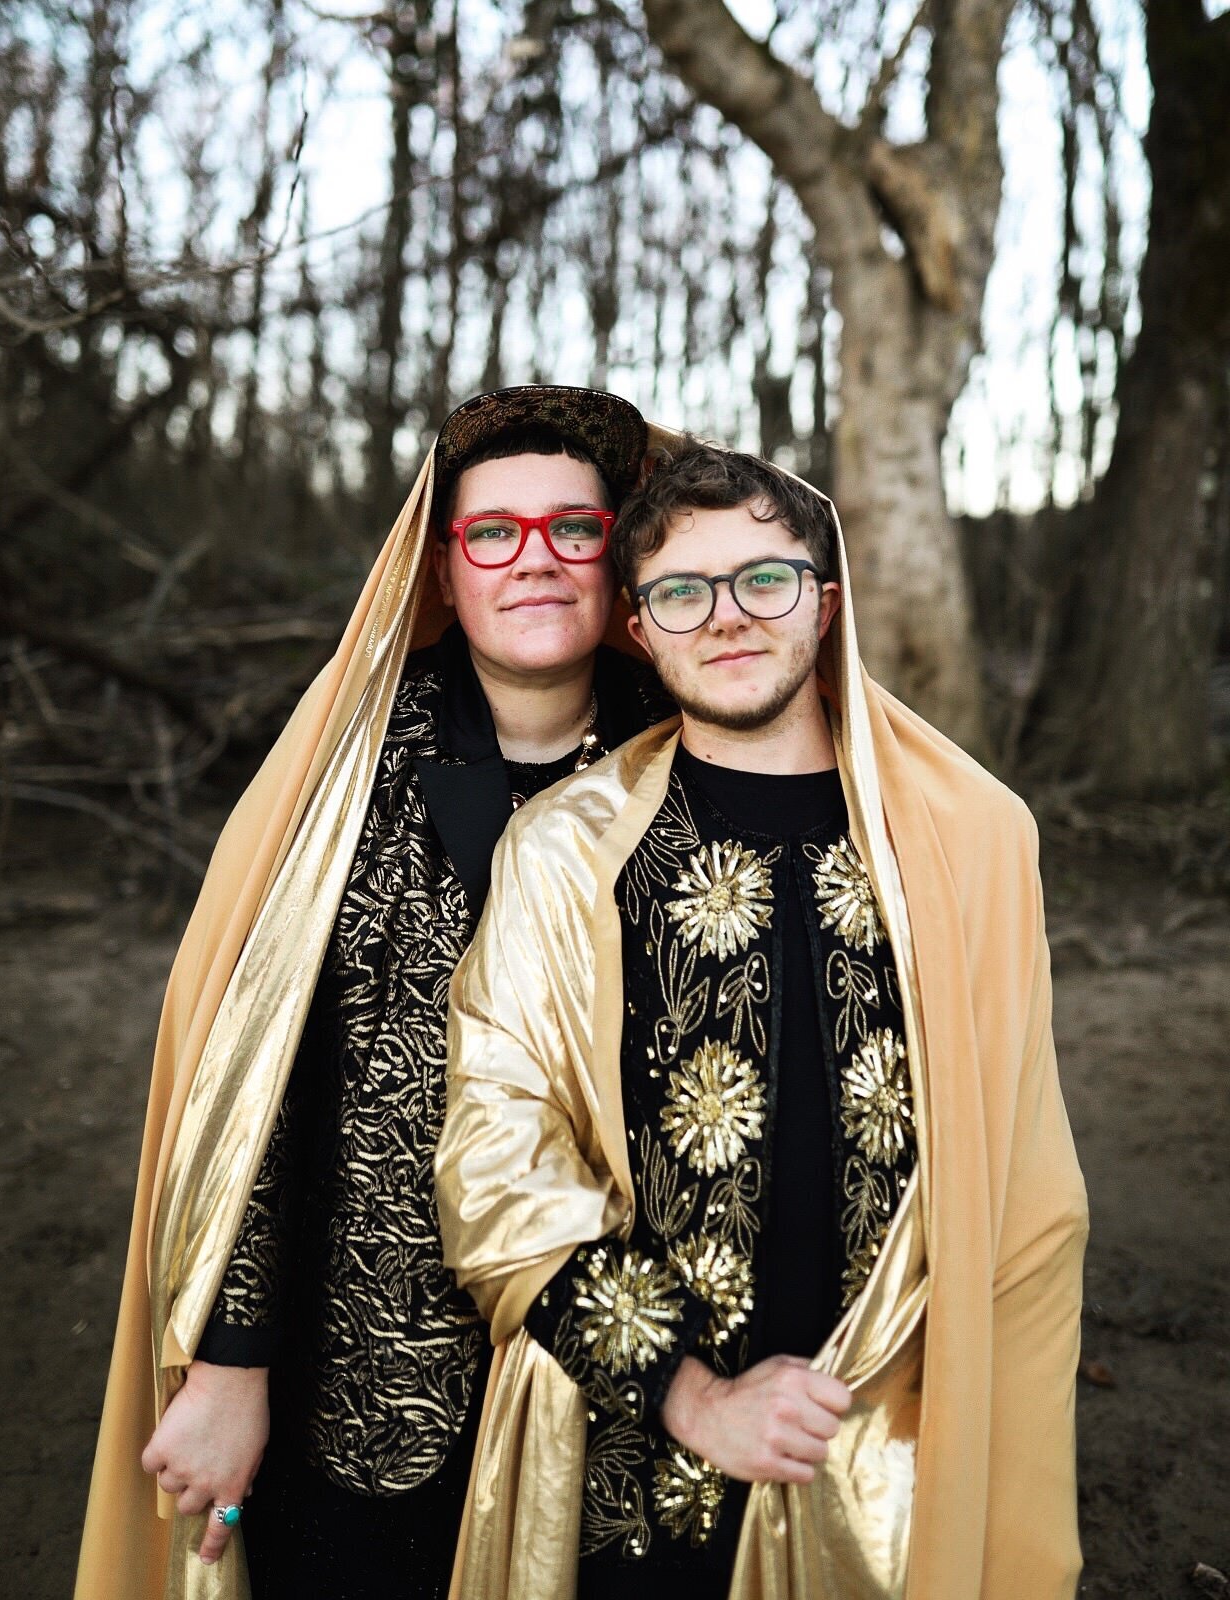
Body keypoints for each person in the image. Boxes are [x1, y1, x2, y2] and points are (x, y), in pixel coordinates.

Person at [435, 439, 1089, 1599]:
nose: (727, 617)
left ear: (825, 600)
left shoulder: (966, 837)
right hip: (633, 1464)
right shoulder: (565, 851)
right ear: (636, 625)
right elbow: (496, 1160)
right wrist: (691, 1392)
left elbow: (1026, 1188)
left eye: (765, 579)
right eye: (682, 591)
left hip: (893, 1454)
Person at [75, 386, 673, 1600]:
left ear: (619, 559)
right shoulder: (346, 772)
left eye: (575, 529)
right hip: (363, 1377)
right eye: (491, 533)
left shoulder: (693, 752)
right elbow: (255, 1085)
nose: (535, 561)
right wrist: (227, 1365)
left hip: (623, 1369)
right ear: (442, 570)